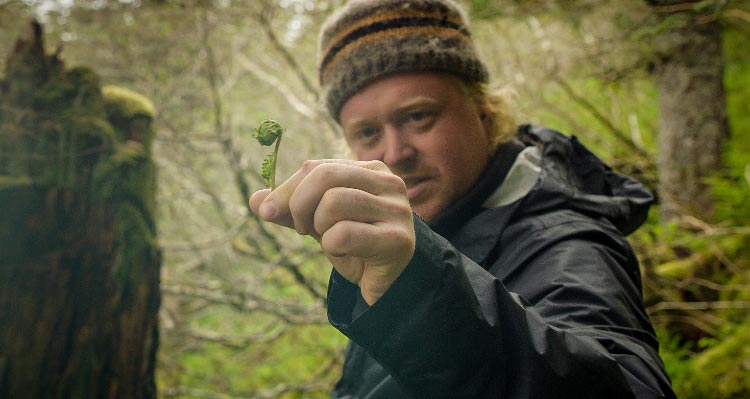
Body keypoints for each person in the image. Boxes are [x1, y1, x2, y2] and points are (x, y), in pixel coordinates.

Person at [249, 0, 677, 397]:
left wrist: (416, 289)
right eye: (367, 133)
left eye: (418, 116)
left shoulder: (565, 242)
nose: (395, 153)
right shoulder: (409, 242)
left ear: (482, 110)